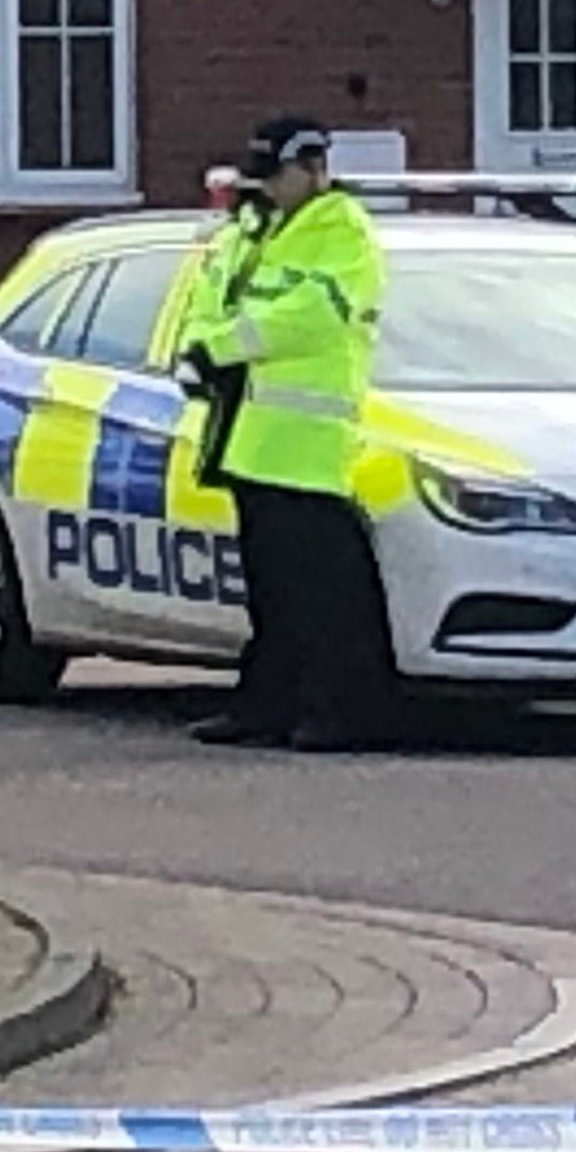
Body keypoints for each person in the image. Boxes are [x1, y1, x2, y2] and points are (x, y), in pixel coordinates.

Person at [177, 116, 391, 751]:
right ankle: (265, 704)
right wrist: (198, 346)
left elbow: (312, 317)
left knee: (322, 592)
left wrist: (217, 348)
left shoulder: (342, 232)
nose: (269, 188)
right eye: (262, 178)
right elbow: (210, 297)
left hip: (309, 447)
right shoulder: (253, 230)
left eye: (279, 176)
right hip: (251, 438)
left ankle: (338, 712)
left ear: (314, 168)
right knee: (271, 587)